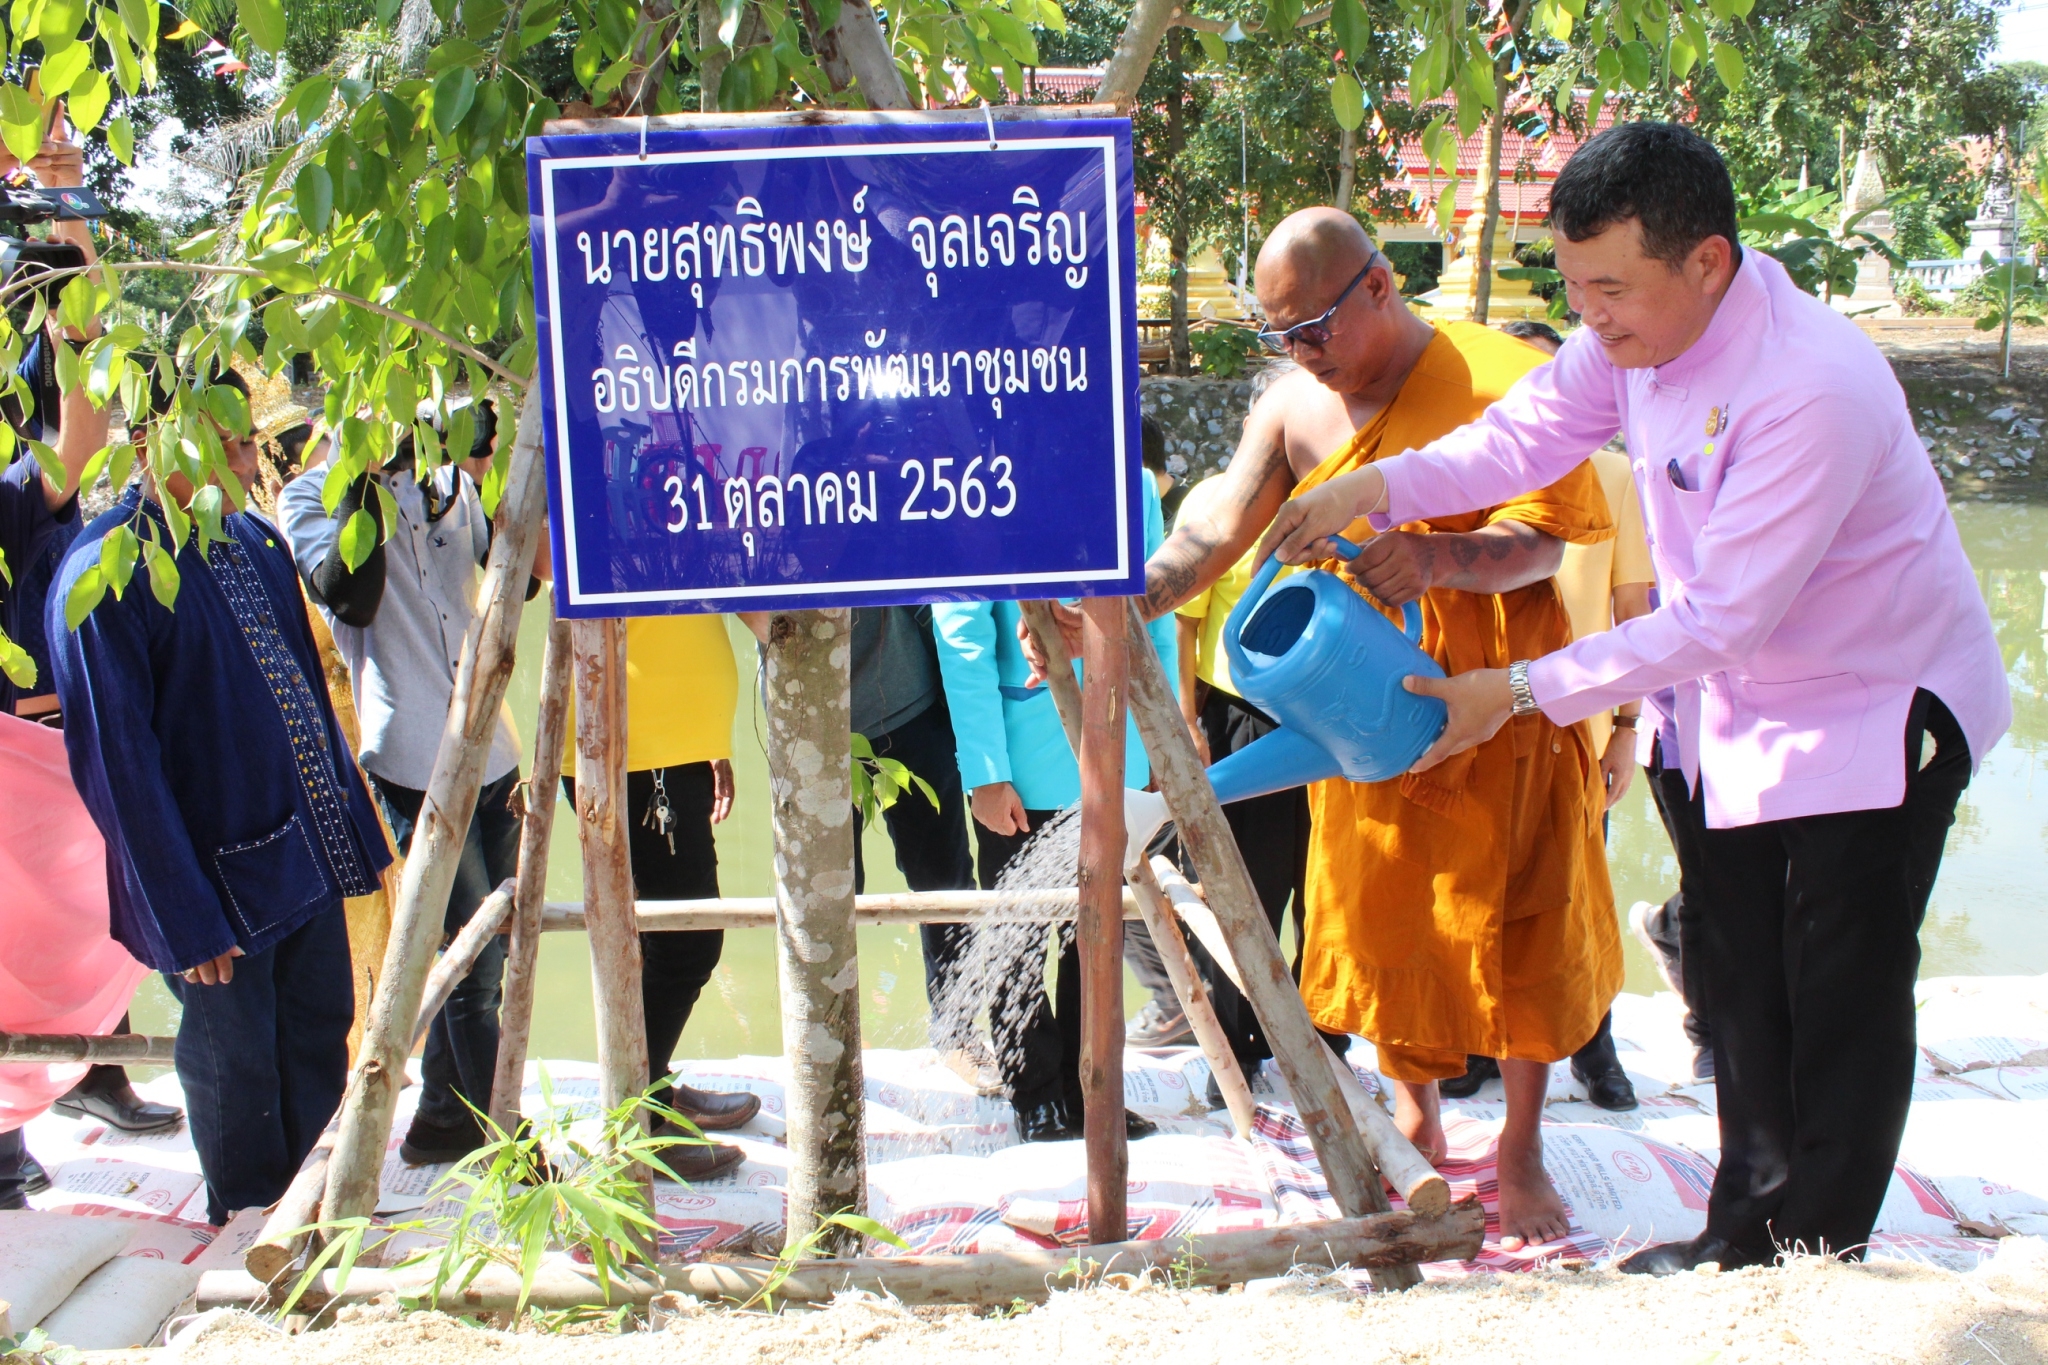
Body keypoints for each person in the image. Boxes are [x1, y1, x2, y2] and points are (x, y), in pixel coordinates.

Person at [1261, 122, 2008, 1273]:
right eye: (1573, 288)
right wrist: (1374, 484)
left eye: (1609, 289)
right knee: (1733, 967)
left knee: (1838, 980)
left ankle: (1812, 1256)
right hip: (1721, 706)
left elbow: (1716, 616)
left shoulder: (1810, 386)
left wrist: (1510, 690)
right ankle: (1741, 1230)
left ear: (1704, 261)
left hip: (1867, 706)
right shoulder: (1630, 339)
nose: (1589, 318)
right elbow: (1515, 440)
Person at [1135, 207, 1622, 1250]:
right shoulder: (1292, 405)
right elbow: (1220, 523)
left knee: (1525, 908)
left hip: (1501, 688)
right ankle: (1415, 1114)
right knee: (1383, 914)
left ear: (1377, 288)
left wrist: (1440, 559)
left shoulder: (1501, 377)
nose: (1305, 354)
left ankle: (1524, 1143)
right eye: (1281, 336)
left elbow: (1543, 545)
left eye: (1314, 326)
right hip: (1364, 696)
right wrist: (1136, 593)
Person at [50, 366, 391, 1226]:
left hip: (302, 858)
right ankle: (249, 1235)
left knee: (319, 1036)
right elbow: (118, 769)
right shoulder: (103, 576)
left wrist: (348, 832)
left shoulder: (258, 542)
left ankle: (318, 1220)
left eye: (249, 443)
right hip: (215, 890)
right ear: (147, 448)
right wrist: (181, 914)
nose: (249, 463)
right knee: (236, 1071)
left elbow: (308, 700)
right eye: (229, 445)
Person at [276, 401, 529, 1165]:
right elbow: (350, 595)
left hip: (494, 748)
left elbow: (514, 577)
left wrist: (478, 467)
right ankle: (509, 1154)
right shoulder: (312, 497)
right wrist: (365, 469)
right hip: (415, 759)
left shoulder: (441, 476)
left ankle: (444, 1125)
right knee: (471, 959)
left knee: (496, 947)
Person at [1439, 319, 1650, 1115]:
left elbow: (1635, 606)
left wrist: (1629, 727)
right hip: (1477, 724)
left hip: (1575, 727)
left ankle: (1595, 1049)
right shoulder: (1466, 478)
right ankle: (1473, 1041)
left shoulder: (1614, 476)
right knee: (1473, 886)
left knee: (1573, 897)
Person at [931, 472, 1179, 1143]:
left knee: (1096, 933)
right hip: (1023, 759)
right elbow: (961, 635)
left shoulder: (1133, 485)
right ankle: (1033, 1088)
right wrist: (985, 770)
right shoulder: (981, 484)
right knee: (1017, 936)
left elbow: (1155, 613)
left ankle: (1090, 1087)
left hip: (1115, 746)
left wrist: (1167, 736)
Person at [560, 615, 762, 1178]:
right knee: (687, 943)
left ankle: (652, 1087)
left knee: (673, 937)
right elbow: (546, 567)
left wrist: (710, 742)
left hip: (675, 749)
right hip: (633, 750)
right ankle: (638, 1120)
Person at [1164, 362, 1314, 1086]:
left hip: (1325, 716)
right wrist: (1189, 721)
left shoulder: (1334, 494)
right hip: (1241, 715)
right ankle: (1236, 1041)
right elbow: (1185, 626)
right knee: (1242, 886)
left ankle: (1323, 1034)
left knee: (1321, 880)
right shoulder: (1215, 500)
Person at [846, 604, 990, 1091]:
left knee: (944, 880)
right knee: (826, 897)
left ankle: (958, 1032)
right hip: (808, 720)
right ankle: (828, 1043)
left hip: (909, 704)